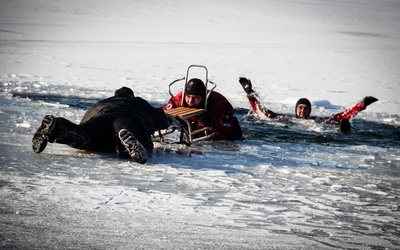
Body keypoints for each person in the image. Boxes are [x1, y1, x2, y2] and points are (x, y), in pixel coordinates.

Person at [32, 86, 171, 164]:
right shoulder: (140, 102)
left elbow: (89, 114)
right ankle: (127, 140)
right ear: (132, 95)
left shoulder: (106, 100)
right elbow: (161, 118)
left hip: (100, 115)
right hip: (126, 118)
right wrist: (168, 120)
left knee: (85, 136)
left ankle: (58, 127)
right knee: (127, 134)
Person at [239, 77, 378, 132]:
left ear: (310, 111)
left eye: (306, 109)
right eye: (300, 108)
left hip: (317, 131)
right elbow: (261, 112)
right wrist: (250, 93)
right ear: (295, 109)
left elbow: (340, 116)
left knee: (339, 123)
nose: (302, 111)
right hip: (290, 131)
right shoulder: (285, 118)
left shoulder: (316, 120)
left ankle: (345, 133)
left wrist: (361, 105)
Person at [164, 78, 243, 140]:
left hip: (214, 137)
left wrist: (212, 123)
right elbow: (164, 113)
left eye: (195, 98)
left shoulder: (219, 103)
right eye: (188, 97)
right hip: (190, 131)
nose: (191, 101)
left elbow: (233, 132)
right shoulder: (178, 99)